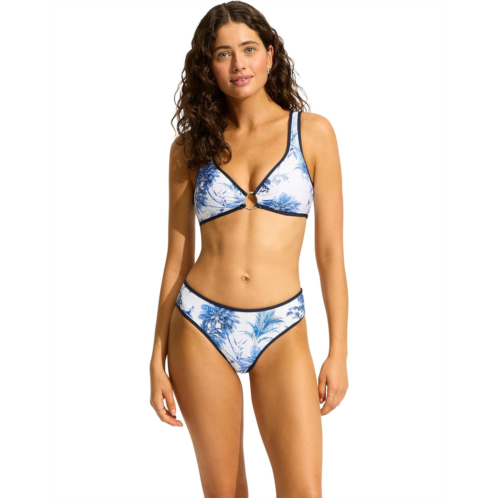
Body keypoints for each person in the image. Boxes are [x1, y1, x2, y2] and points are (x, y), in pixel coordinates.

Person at [149, 2, 349, 496]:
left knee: (303, 491)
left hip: (282, 327)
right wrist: (156, 357)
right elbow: (177, 258)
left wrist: (339, 351)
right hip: (200, 325)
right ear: (208, 66)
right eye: (223, 54)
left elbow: (330, 254)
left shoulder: (313, 133)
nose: (238, 64)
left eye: (248, 49)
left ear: (270, 55)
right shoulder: (189, 148)